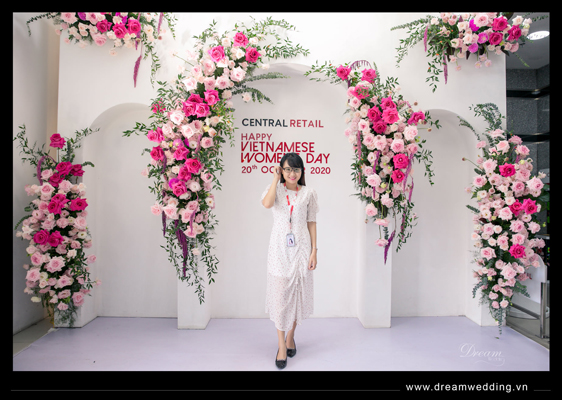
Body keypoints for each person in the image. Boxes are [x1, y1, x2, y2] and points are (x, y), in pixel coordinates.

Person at [261, 152, 319, 369]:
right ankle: (281, 345)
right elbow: (267, 204)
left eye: (296, 169)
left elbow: (311, 222)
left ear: (301, 171)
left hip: (301, 249)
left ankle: (290, 337)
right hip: (278, 249)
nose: (292, 173)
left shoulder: (309, 193)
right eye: (287, 169)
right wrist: (275, 179)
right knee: (280, 296)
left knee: (297, 295)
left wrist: (314, 250)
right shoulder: (275, 190)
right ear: (281, 170)